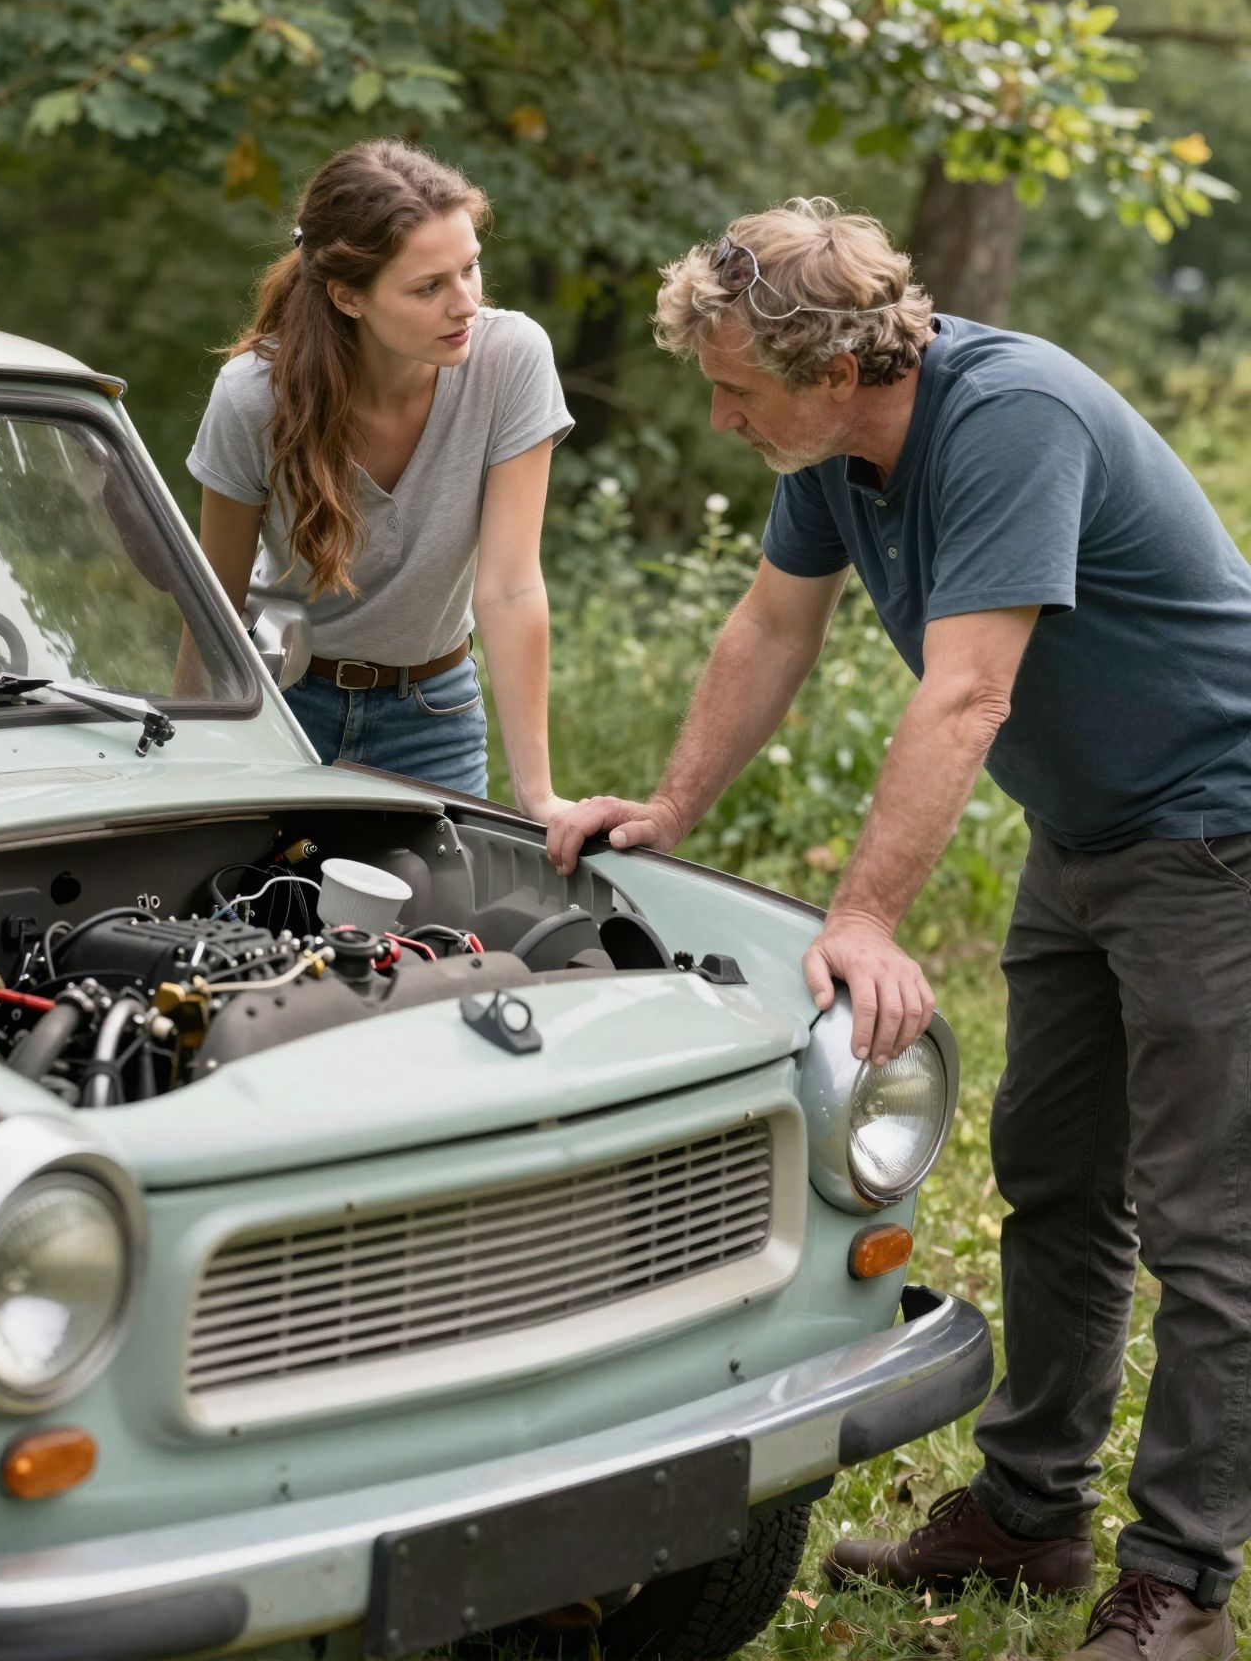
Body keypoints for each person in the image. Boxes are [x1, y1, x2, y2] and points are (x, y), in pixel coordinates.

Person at [546, 198, 1251, 1661]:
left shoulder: (1010, 420)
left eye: (738, 385)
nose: (722, 412)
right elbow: (770, 627)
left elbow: (967, 693)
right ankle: (1030, 1515)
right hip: (1091, 834)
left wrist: (864, 914)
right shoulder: (836, 453)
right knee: (1057, 1178)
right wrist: (668, 810)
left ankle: (1178, 1579)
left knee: (1209, 1224)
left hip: (1219, 833)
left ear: (833, 365)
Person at [183, 139, 573, 815]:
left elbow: (509, 588)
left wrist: (538, 798)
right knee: (255, 915)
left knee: (435, 924)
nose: (466, 305)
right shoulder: (254, 397)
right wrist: (184, 765)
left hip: (433, 717)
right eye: (429, 286)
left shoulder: (511, 360)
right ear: (348, 296)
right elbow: (213, 604)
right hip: (279, 706)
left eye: (470, 270)